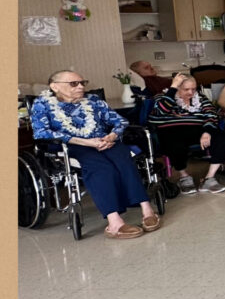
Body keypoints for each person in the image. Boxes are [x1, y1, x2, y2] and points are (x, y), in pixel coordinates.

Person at [30, 70, 162, 239]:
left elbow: (120, 121)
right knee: (101, 168)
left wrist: (112, 135)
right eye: (73, 83)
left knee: (124, 159)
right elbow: (41, 132)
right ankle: (114, 223)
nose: (80, 87)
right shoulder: (42, 104)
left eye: (82, 83)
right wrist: (85, 142)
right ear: (55, 87)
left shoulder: (93, 100)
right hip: (71, 145)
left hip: (104, 140)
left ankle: (147, 210)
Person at [148, 73, 225, 194]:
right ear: (177, 87)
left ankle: (209, 178)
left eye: (193, 89)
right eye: (186, 89)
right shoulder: (162, 97)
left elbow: (211, 114)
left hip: (198, 129)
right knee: (173, 141)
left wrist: (207, 132)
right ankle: (184, 176)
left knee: (223, 136)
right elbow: (161, 111)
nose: (191, 92)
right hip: (172, 130)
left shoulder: (200, 98)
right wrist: (173, 88)